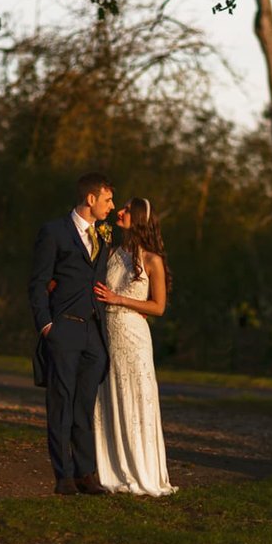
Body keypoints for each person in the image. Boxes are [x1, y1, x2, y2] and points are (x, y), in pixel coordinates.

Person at [28, 173, 115, 496]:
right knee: (61, 404)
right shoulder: (54, 232)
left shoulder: (104, 236)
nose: (112, 206)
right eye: (107, 200)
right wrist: (46, 324)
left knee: (84, 406)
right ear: (90, 199)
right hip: (63, 328)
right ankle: (63, 475)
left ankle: (85, 473)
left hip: (93, 333)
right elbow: (37, 282)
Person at [93, 197, 178, 497]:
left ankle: (141, 470)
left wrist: (120, 300)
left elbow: (158, 307)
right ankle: (113, 467)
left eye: (128, 210)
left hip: (134, 336)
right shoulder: (113, 252)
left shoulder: (153, 260)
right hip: (108, 334)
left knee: (136, 395)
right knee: (112, 393)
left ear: (139, 218)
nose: (120, 211)